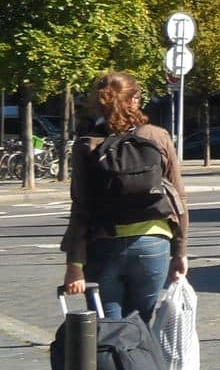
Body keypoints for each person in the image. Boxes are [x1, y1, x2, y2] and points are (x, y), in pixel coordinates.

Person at [60, 72, 189, 322]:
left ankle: (111, 362)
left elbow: (81, 207)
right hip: (153, 243)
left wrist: (74, 264)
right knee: (140, 328)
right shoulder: (157, 136)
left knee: (107, 329)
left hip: (103, 244)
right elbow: (177, 197)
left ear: (98, 103)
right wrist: (179, 251)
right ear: (136, 100)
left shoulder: (88, 144)